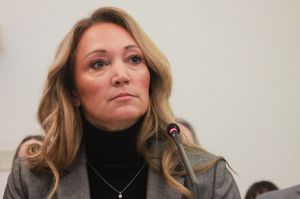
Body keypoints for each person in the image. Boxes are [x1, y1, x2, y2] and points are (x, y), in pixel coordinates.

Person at [4, 7, 240, 199]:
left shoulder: (207, 176)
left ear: (151, 76)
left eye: (134, 59)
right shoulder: (31, 180)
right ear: (73, 91)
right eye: (99, 63)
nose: (122, 75)